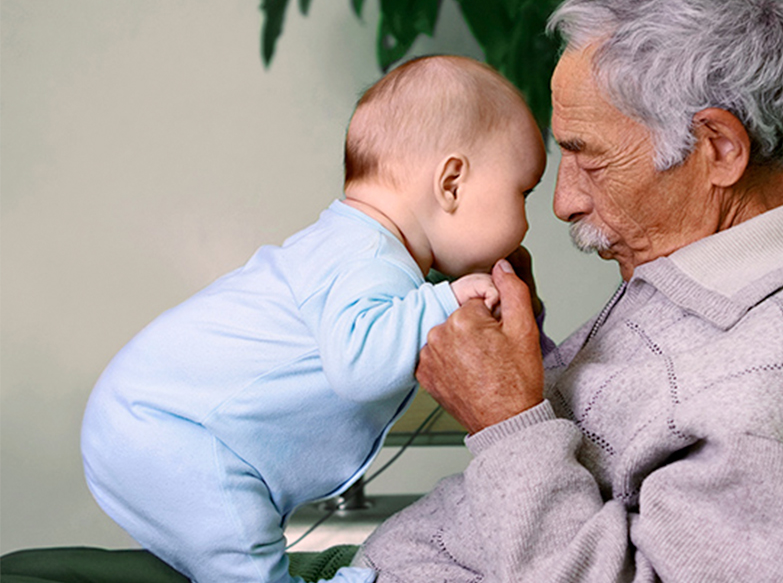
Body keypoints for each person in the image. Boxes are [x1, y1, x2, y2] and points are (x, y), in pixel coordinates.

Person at [348, 0, 783, 581]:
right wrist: (526, 359)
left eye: (589, 159)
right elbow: (608, 441)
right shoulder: (711, 267)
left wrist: (505, 419)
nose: (563, 202)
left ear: (720, 147)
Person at [76, 55, 546, 583]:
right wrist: (446, 301)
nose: (531, 218)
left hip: (152, 423)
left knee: (235, 546)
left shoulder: (358, 249)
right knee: (244, 557)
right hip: (171, 433)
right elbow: (360, 366)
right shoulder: (367, 257)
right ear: (453, 183)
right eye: (523, 192)